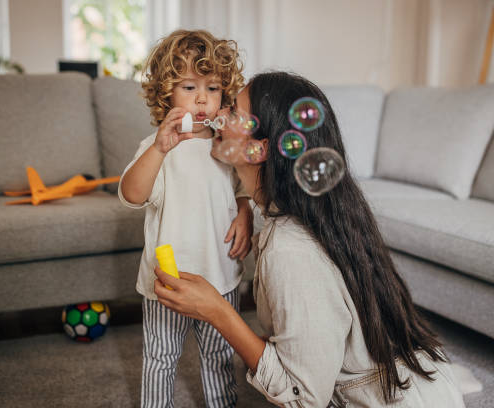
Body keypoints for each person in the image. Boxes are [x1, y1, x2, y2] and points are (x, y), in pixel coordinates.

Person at [153, 72, 467, 407]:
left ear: (259, 149)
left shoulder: (290, 249)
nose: (218, 115)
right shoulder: (318, 218)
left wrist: (218, 312)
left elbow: (304, 399)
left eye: (233, 112)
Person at [118, 30, 253, 408]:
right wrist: (159, 150)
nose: (201, 98)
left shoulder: (226, 142)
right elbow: (132, 195)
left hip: (220, 275)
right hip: (167, 281)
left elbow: (243, 188)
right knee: (161, 359)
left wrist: (244, 213)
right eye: (189, 86)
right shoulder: (158, 146)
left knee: (219, 358)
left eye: (212, 88)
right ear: (165, 93)